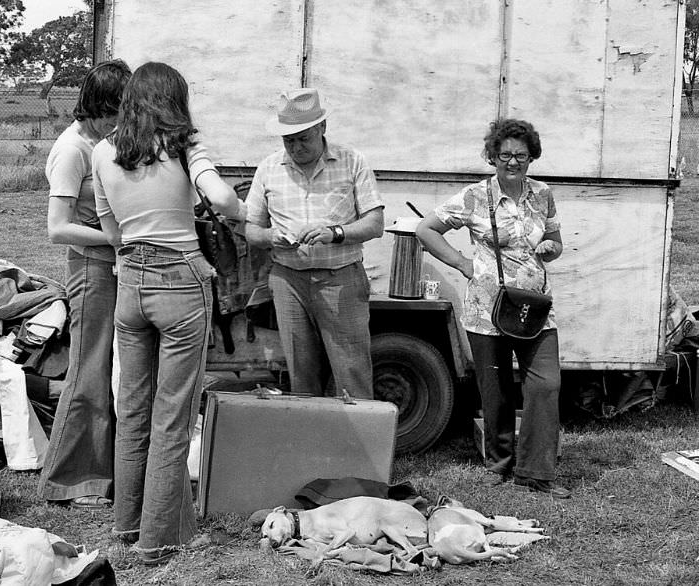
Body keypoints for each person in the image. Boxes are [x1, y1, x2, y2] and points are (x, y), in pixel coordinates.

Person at [92, 61, 240, 565]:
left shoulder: (103, 150)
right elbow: (224, 200)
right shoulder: (184, 146)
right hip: (180, 283)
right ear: (174, 101)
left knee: (132, 410)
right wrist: (228, 199)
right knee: (173, 416)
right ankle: (160, 539)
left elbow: (111, 229)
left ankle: (128, 526)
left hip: (130, 281)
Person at [415, 118, 570, 499]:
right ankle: (498, 464)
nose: (512, 163)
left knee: (546, 384)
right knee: (495, 390)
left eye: (520, 155)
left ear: (531, 157)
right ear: (493, 157)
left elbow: (554, 239)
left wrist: (551, 248)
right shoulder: (474, 197)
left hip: (535, 309)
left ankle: (535, 471)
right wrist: (463, 264)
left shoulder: (543, 194)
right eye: (505, 156)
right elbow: (426, 229)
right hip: (487, 308)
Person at [245, 88, 384, 398]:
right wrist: (271, 237)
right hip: (288, 280)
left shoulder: (352, 161)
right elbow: (251, 230)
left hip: (341, 278)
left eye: (303, 138)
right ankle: (310, 442)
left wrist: (335, 233)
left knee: (351, 370)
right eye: (288, 140)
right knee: (300, 373)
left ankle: (357, 444)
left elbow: (375, 224)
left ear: (322, 128)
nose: (296, 147)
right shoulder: (268, 168)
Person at [37, 59, 131, 509]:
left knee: (113, 369)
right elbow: (58, 227)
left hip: (114, 265)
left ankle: (106, 469)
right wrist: (116, 239)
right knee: (89, 370)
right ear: (95, 107)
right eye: (114, 112)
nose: (120, 122)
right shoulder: (73, 149)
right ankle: (71, 479)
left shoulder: (105, 142)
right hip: (91, 268)